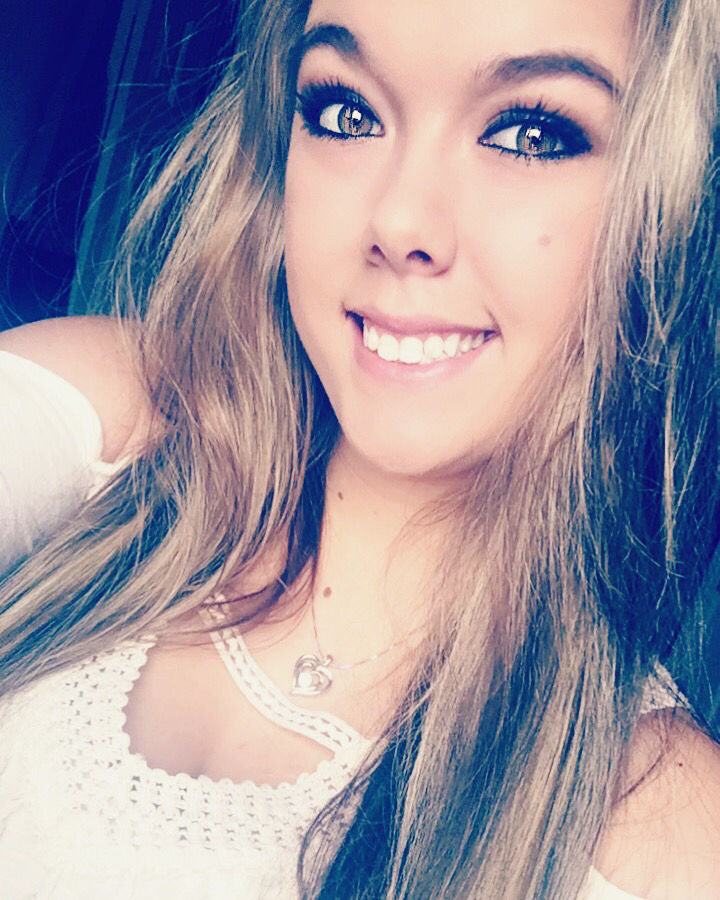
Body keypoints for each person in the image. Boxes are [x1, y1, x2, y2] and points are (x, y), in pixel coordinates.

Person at [0, 0, 718, 896]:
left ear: (669, 211)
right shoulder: (117, 418)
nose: (401, 221)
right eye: (346, 112)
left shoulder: (659, 823)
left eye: (531, 133)